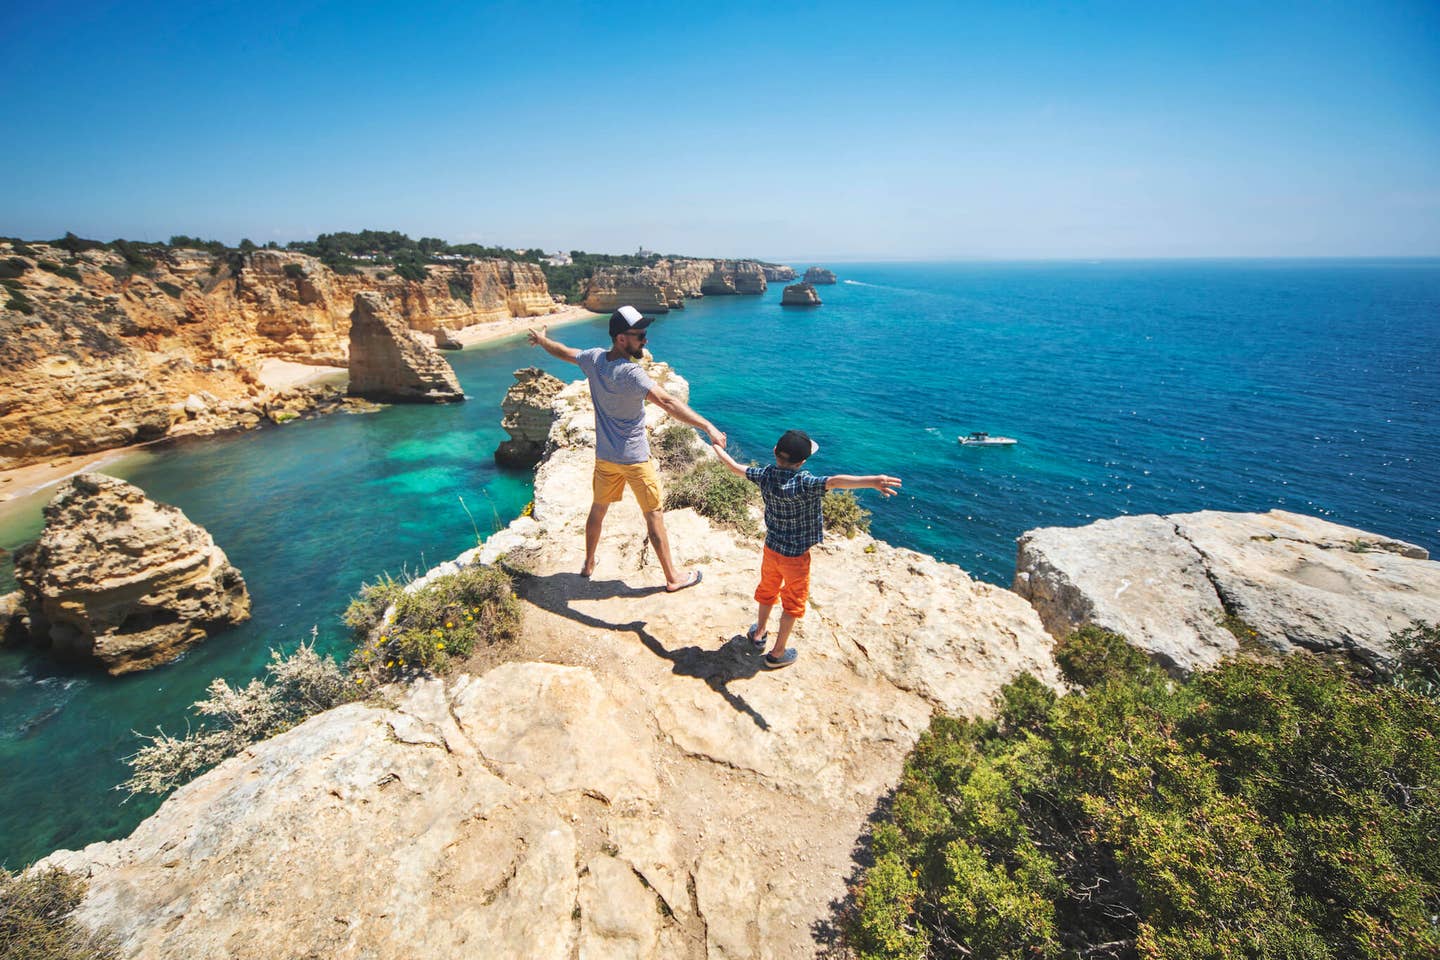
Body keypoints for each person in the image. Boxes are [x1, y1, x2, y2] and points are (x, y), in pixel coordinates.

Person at [528, 305, 726, 591]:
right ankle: (673, 578)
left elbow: (563, 351)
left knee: (598, 509)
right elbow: (668, 402)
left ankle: (588, 563)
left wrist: (542, 340)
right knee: (654, 515)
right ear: (622, 338)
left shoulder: (594, 359)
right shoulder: (632, 373)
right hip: (635, 458)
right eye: (640, 335)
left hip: (606, 457)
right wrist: (707, 427)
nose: (645, 340)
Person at [711, 430, 901, 669]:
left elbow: (735, 467)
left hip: (771, 549)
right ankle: (777, 654)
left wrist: (716, 445)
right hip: (796, 557)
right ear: (802, 461)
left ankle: (758, 633)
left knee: (768, 588)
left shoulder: (766, 475)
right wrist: (871, 481)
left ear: (774, 452)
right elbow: (835, 481)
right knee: (792, 601)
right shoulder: (805, 483)